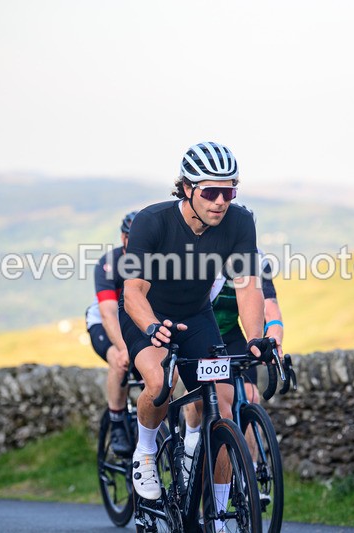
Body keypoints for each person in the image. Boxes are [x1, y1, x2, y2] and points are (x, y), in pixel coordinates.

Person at [119, 141, 268, 527]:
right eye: (211, 192)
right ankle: (147, 452)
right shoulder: (152, 222)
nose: (221, 201)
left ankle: (217, 513)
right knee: (158, 383)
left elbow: (248, 286)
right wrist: (152, 327)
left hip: (197, 316)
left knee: (223, 405)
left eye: (229, 191)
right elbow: (132, 291)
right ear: (187, 189)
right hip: (149, 315)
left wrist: (254, 338)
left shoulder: (239, 222)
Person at [181, 234, 284, 479]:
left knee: (249, 395)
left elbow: (270, 305)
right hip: (202, 335)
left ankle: (251, 475)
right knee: (200, 398)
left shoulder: (257, 261)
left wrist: (275, 336)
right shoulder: (206, 258)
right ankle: (190, 444)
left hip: (231, 335)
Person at [85, 210, 138, 456]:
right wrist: (124, 348)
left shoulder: (157, 263)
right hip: (105, 323)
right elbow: (107, 313)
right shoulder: (109, 264)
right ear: (123, 237)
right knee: (120, 361)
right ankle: (117, 421)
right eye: (132, 237)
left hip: (135, 323)